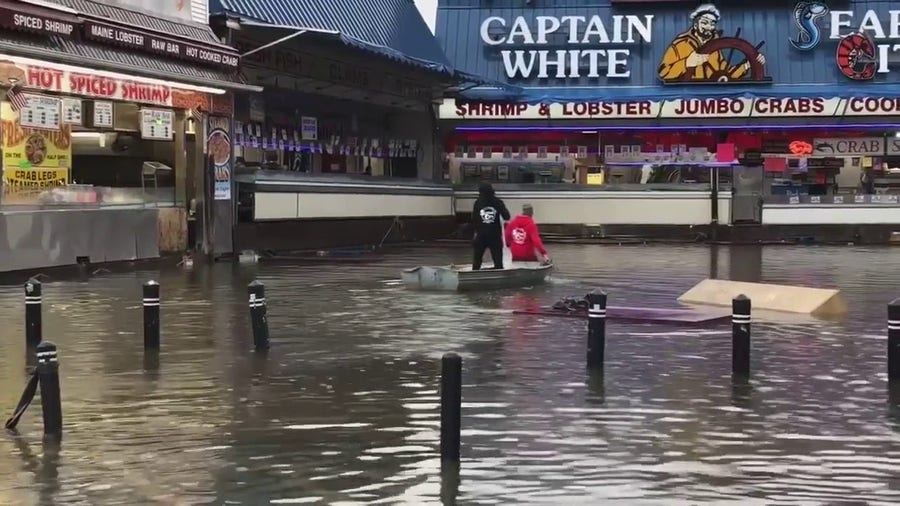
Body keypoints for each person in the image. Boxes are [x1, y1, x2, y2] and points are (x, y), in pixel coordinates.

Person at [472, 182, 510, 270]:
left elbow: (474, 220)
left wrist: (474, 234)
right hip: (495, 235)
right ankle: (498, 274)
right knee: (498, 261)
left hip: (481, 235)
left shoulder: (477, 203)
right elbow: (507, 216)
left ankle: (474, 275)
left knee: (477, 260)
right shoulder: (498, 202)